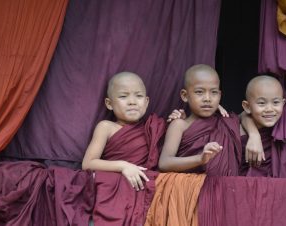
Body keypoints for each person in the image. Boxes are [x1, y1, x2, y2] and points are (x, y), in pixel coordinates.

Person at [82, 72, 165, 226]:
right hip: (114, 188)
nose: (132, 102)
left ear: (146, 102)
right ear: (109, 103)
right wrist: (123, 166)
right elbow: (88, 163)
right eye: (123, 96)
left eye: (138, 96)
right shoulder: (106, 127)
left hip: (143, 186)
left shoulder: (154, 127)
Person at [158, 64, 242, 176]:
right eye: (199, 92)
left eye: (214, 92)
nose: (207, 98)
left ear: (220, 95)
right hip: (191, 189)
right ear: (185, 95)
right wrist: (200, 159)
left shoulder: (227, 122)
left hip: (225, 189)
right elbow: (164, 163)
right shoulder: (180, 125)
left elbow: (251, 113)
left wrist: (254, 134)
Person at [239, 75, 286, 177]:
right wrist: (254, 135)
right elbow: (241, 116)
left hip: (279, 189)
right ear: (247, 106)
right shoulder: (236, 130)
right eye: (262, 103)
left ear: (283, 103)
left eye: (275, 102)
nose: (270, 109)